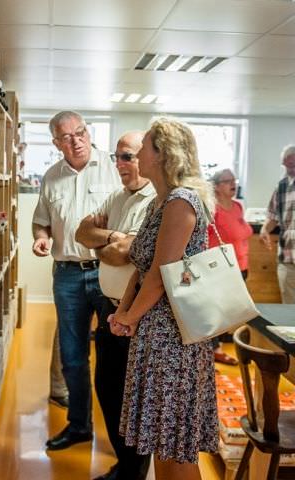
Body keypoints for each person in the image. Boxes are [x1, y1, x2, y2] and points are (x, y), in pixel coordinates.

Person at [109, 118, 218, 480]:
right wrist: (124, 311)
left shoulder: (181, 201)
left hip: (173, 339)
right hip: (155, 335)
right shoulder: (161, 202)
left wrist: (129, 318)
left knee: (175, 447)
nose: (138, 152)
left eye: (146, 146)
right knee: (162, 440)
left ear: (162, 155)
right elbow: (141, 269)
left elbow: (161, 276)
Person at [32, 111, 121, 450]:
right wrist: (41, 238)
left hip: (106, 272)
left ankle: (121, 435)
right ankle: (80, 426)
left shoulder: (113, 168)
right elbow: (42, 222)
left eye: (80, 132)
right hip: (68, 275)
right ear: (56, 143)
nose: (76, 140)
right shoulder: (51, 177)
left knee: (114, 356)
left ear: (88, 131)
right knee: (72, 356)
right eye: (67, 137)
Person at [75, 131, 155, 480]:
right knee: (107, 388)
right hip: (111, 310)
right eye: (117, 157)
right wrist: (111, 236)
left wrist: (112, 244)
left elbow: (124, 255)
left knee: (132, 396)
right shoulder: (118, 198)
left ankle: (134, 471)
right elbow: (82, 232)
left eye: (127, 157)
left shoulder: (155, 201)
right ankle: (124, 466)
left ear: (147, 159)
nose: (119, 164)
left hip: (138, 313)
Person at [208, 168, 253, 365]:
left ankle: (214, 346)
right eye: (227, 181)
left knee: (227, 310)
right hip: (220, 267)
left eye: (234, 180)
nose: (233, 184)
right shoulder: (212, 208)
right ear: (216, 186)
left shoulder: (237, 207)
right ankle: (213, 349)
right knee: (215, 310)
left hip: (241, 264)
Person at [260, 145, 295, 303]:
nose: (289, 169)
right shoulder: (281, 186)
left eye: (292, 164)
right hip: (287, 256)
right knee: (289, 306)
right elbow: (272, 216)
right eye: (286, 165)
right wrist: (264, 229)